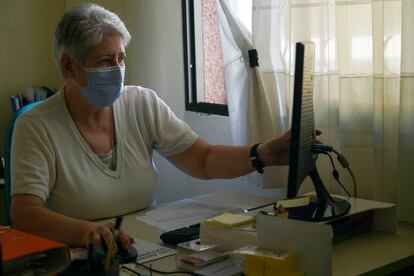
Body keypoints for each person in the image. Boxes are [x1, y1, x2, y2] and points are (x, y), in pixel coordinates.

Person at [10, 3, 291, 254]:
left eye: (121, 58)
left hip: (143, 246)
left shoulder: (141, 102)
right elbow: (24, 212)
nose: (118, 70)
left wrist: (262, 154)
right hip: (82, 255)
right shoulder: (36, 125)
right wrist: (85, 232)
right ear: (69, 67)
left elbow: (203, 159)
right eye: (105, 61)